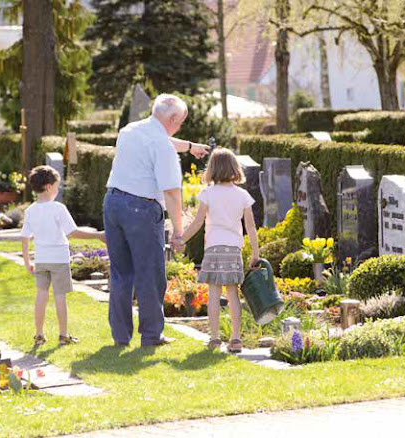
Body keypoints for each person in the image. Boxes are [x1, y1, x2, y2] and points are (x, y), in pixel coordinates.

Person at [104, 93, 209, 347]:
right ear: (174, 118)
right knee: (150, 274)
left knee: (121, 274)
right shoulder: (162, 146)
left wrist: (190, 146)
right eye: (181, 121)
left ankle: (120, 337)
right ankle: (151, 336)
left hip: (112, 204)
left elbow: (160, 139)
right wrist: (179, 232)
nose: (181, 125)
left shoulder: (130, 130)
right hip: (141, 209)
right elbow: (172, 192)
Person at [179, 148, 260, 352]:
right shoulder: (243, 195)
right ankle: (235, 339)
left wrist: (181, 239)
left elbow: (198, 223)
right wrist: (256, 253)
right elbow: (250, 227)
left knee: (214, 294)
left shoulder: (208, 193)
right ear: (235, 168)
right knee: (233, 294)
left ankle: (214, 338)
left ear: (212, 169)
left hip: (214, 248)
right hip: (233, 249)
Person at [21, 165, 106, 347]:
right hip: (58, 259)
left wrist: (28, 261)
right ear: (49, 186)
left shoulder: (30, 211)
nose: (57, 190)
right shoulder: (58, 208)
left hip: (41, 259)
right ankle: (63, 335)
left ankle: (38, 334)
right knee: (60, 296)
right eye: (57, 186)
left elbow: (25, 238)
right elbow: (73, 232)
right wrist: (98, 236)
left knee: (41, 294)